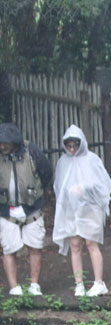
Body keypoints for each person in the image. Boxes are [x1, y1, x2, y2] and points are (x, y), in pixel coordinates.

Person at [53, 125, 111, 296]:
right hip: (71, 210)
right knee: (75, 245)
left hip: (90, 209)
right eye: (69, 146)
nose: (72, 149)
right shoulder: (62, 162)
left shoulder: (91, 159)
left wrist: (84, 188)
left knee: (91, 243)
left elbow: (102, 183)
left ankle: (98, 281)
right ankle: (79, 283)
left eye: (75, 146)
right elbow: (59, 186)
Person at [0, 122, 52, 296]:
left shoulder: (32, 152)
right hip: (6, 210)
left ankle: (34, 285)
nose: (2, 146)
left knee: (35, 245)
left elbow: (46, 172)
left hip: (32, 208)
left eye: (5, 143)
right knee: (9, 248)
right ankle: (14, 287)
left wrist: (37, 192)